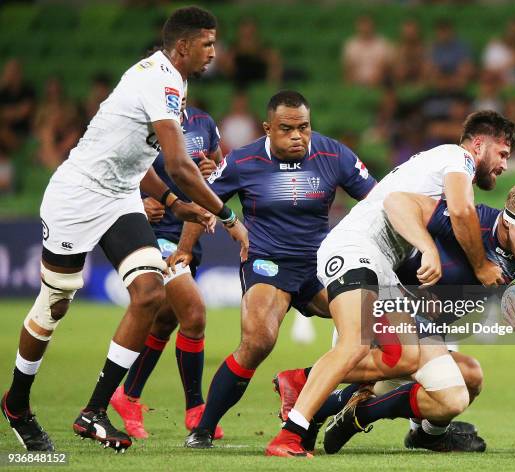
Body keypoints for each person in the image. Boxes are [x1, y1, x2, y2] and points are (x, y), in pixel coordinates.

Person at [1, 6, 248, 453]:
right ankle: (17, 403)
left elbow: (138, 158)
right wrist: (225, 216)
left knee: (151, 294)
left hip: (119, 197)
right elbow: (177, 164)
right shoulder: (160, 79)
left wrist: (173, 202)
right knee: (54, 303)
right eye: (208, 43)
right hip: (76, 195)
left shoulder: (177, 81)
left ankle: (93, 412)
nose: (215, 52)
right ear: (183, 46)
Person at [266, 110, 515, 458]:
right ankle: (289, 435)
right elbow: (462, 213)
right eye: (503, 153)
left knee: (405, 355)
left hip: (378, 263)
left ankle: (303, 383)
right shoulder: (456, 158)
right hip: (356, 250)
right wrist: (481, 265)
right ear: (479, 144)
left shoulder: (433, 169)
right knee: (355, 346)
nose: (504, 165)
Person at [184, 90, 377, 449]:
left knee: (373, 337)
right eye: (287, 129)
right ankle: (204, 428)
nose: (297, 136)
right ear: (267, 129)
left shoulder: (334, 154)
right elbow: (205, 199)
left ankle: (308, 389)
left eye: (303, 127)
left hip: (322, 265)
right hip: (268, 263)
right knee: (258, 340)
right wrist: (184, 249)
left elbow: (377, 202)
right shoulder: (243, 160)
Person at [322, 180, 515, 454]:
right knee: (450, 397)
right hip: (387, 313)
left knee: (471, 376)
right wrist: (425, 251)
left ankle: (424, 435)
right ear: (507, 223)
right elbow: (396, 201)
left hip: (426, 335)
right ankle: (349, 412)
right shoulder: (470, 220)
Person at [110, 99, 225, 440]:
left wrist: (209, 174)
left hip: (190, 233)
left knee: (165, 318)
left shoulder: (204, 122)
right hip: (153, 234)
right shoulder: (138, 125)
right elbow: (115, 177)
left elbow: (218, 167)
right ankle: (196, 409)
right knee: (194, 313)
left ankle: (127, 395)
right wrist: (137, 204)